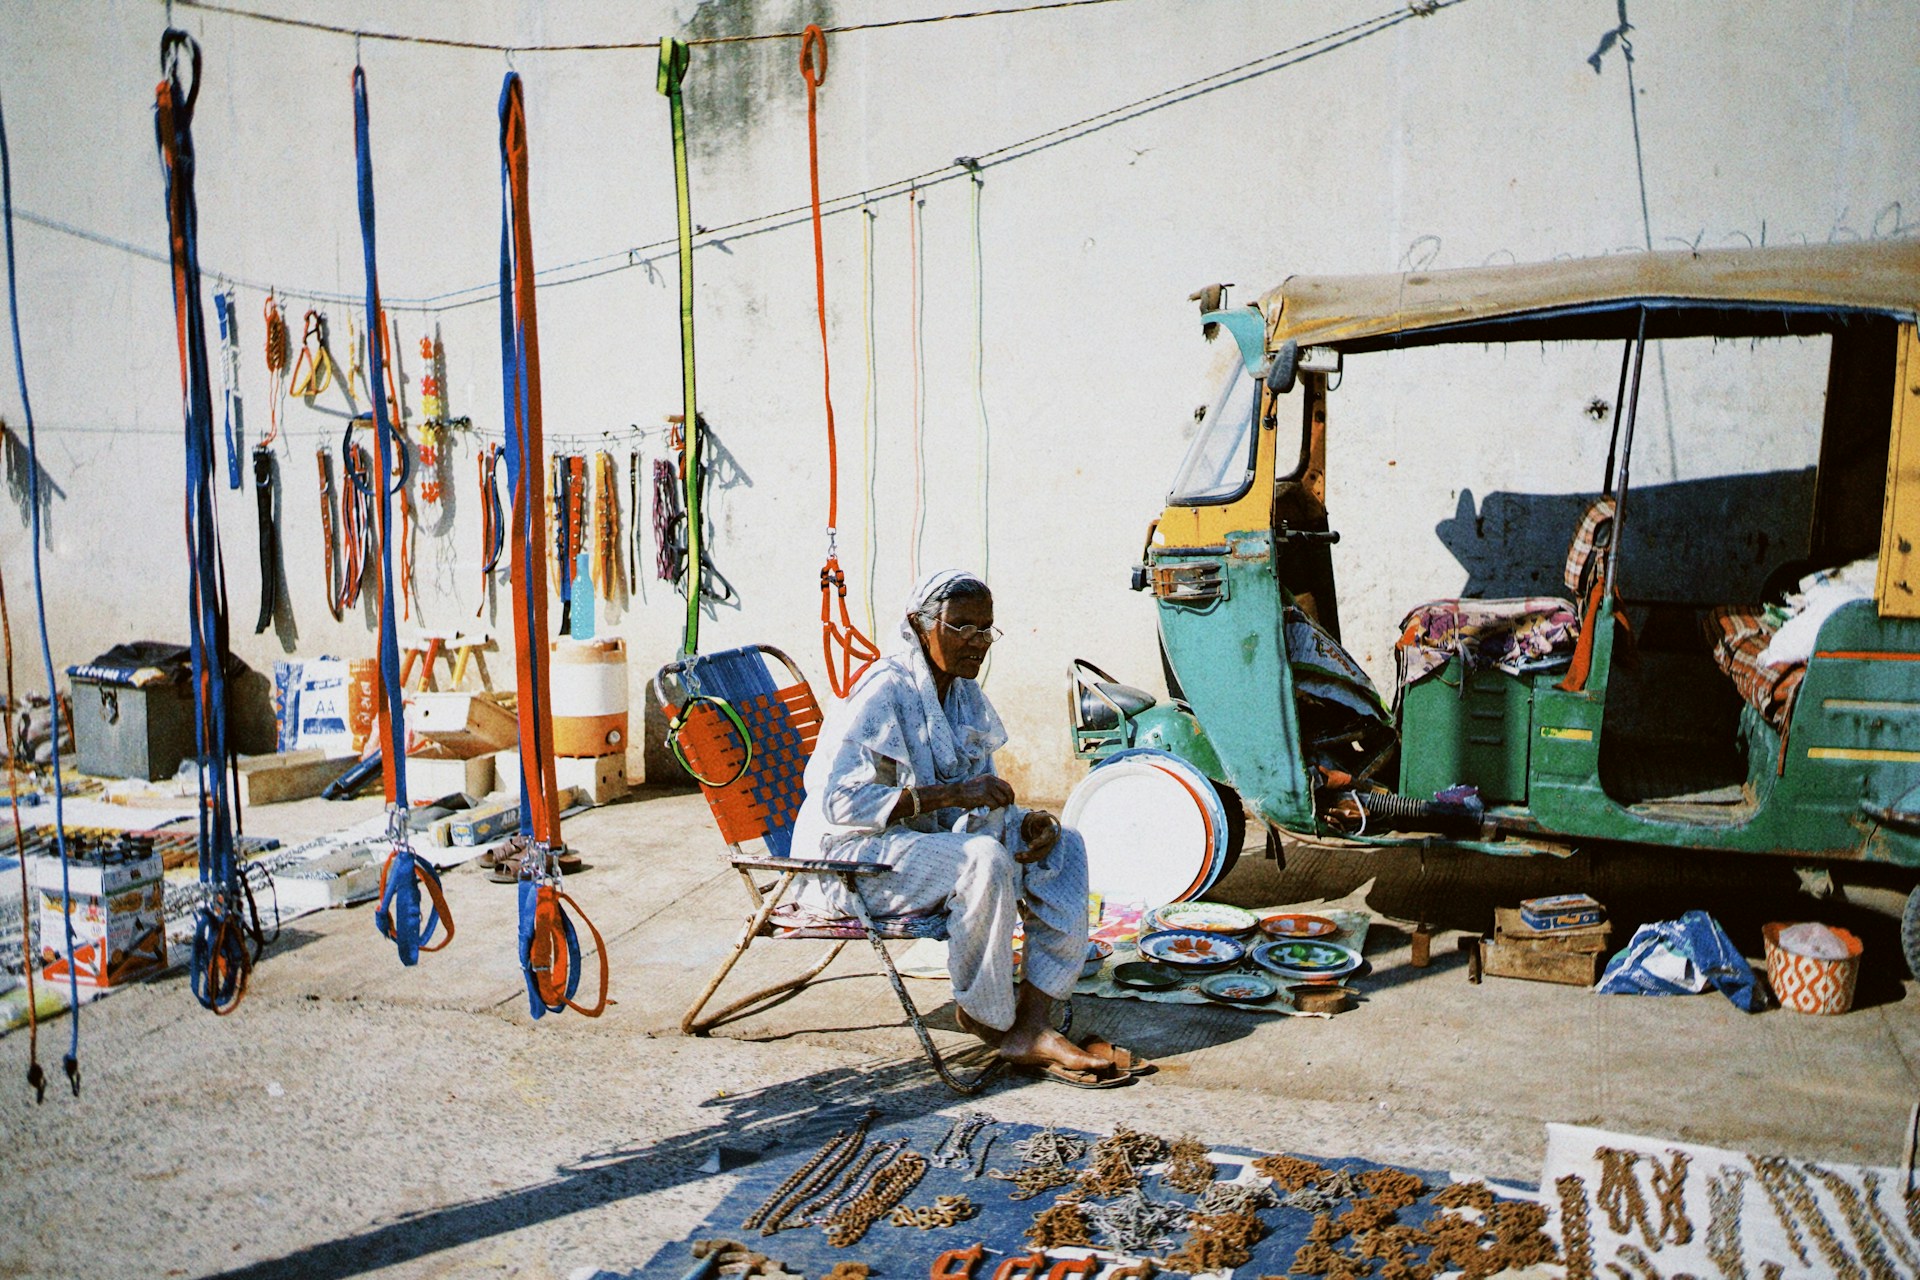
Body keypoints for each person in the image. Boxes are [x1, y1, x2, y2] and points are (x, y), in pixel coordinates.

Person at [789, 570, 1136, 1085]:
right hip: (849, 861)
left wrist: (1023, 822)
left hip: (917, 849)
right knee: (982, 860)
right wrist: (953, 795)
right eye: (963, 627)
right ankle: (988, 1015)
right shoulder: (883, 691)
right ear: (919, 624)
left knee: (1063, 845)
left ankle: (1033, 1022)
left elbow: (976, 797)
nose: (978, 642)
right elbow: (841, 801)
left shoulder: (961, 693)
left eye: (986, 630)